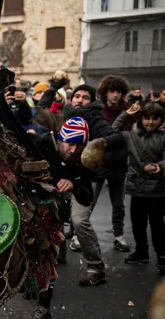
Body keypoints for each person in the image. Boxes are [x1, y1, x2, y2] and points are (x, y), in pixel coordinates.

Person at [26, 117, 95, 319]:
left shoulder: (79, 161)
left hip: (52, 216)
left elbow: (87, 196)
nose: (73, 150)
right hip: (27, 205)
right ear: (60, 139)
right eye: (70, 144)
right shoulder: (41, 143)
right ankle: (31, 283)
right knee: (28, 252)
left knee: (48, 256)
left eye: (78, 145)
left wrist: (74, 184)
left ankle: (43, 307)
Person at [61, 84, 126, 285]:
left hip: (82, 179)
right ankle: (57, 255)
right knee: (52, 217)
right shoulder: (66, 114)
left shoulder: (93, 117)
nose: (80, 100)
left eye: (85, 97)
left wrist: (96, 144)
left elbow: (117, 138)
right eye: (77, 96)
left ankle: (96, 267)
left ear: (92, 101)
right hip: (59, 177)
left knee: (80, 221)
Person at [114, 102, 165, 274]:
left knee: (158, 227)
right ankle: (141, 252)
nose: (150, 122)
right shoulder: (131, 136)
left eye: (154, 118)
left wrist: (160, 166)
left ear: (160, 120)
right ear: (141, 119)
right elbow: (112, 131)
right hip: (137, 188)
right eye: (146, 118)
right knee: (138, 224)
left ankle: (162, 257)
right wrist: (126, 114)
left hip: (158, 190)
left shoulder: (163, 136)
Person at [94, 76, 132, 251]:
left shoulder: (129, 111)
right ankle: (76, 235)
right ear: (105, 92)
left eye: (119, 92)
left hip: (118, 162)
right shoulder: (98, 110)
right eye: (112, 91)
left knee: (118, 204)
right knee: (88, 201)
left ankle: (118, 235)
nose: (115, 95)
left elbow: (131, 136)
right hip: (99, 161)